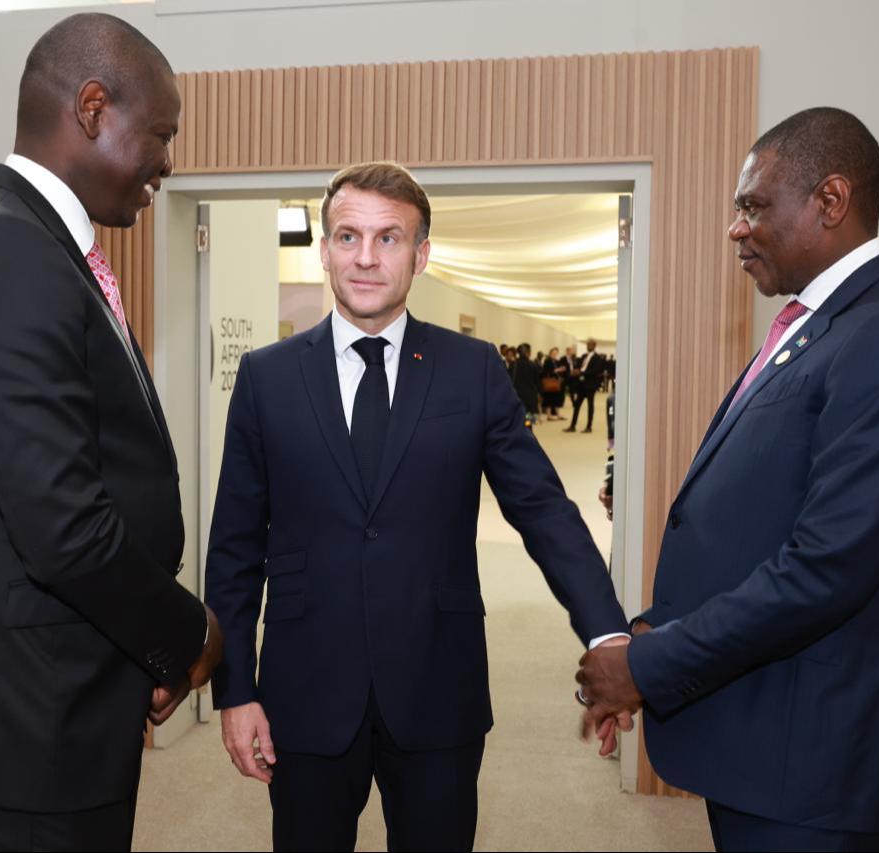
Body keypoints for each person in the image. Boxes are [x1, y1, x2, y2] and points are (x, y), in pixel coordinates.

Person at [575, 107, 879, 851]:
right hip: (762, 738)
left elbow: (827, 567)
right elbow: (756, 521)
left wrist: (648, 667)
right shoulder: (817, 328)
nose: (736, 228)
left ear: (830, 200)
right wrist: (656, 629)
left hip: (814, 762)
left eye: (754, 206)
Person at [204, 161, 629, 852]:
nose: (366, 257)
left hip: (438, 685)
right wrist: (235, 690)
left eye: (389, 238)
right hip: (305, 691)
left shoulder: (473, 369)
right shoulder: (266, 377)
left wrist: (607, 634)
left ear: (421, 254)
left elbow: (543, 510)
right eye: (348, 236)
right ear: (325, 250)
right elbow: (234, 546)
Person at [0, 14, 223, 851]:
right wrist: (187, 636)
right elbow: (61, 525)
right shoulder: (3, 250)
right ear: (93, 106)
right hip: (28, 707)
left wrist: (139, 650)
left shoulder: (40, 247)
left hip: (69, 685)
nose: (167, 162)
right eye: (161, 134)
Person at [564, 338, 606, 433]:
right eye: (587, 345)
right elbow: (578, 366)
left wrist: (581, 372)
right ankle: (572, 426)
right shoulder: (583, 356)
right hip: (581, 384)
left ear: (594, 346)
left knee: (590, 406)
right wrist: (576, 370)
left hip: (590, 384)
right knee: (577, 405)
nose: (588, 346)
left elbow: (595, 371)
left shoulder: (597, 358)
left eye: (590, 345)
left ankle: (589, 427)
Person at [510, 342, 542, 424]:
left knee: (517, 421)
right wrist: (540, 394)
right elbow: (538, 382)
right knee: (529, 422)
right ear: (528, 352)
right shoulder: (533, 365)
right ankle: (528, 430)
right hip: (530, 398)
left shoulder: (513, 364)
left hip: (516, 396)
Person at [541, 346, 567, 420]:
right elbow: (546, 371)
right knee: (549, 398)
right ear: (550, 353)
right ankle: (549, 415)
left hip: (556, 382)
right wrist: (557, 370)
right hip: (550, 382)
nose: (554, 355)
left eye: (556, 353)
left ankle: (558, 414)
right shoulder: (547, 361)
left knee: (556, 399)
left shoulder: (556, 361)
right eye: (553, 353)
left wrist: (562, 369)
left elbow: (559, 370)